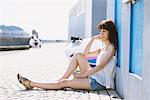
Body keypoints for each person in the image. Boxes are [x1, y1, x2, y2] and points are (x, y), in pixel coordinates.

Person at [17, 19, 118, 91]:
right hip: (94, 76)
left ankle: (31, 83)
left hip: (98, 83)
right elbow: (85, 54)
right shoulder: (103, 48)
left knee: (64, 84)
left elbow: (100, 66)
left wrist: (82, 75)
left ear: (111, 32)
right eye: (100, 32)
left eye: (104, 31)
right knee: (78, 55)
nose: (101, 34)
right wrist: (92, 39)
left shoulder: (111, 48)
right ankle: (61, 79)